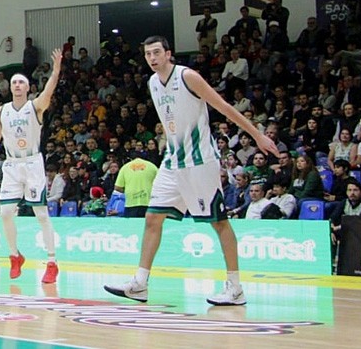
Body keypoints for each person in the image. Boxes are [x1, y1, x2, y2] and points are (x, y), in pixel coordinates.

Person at [105, 36, 279, 306]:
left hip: (200, 162)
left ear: (168, 54)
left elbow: (224, 107)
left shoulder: (188, 77)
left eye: (156, 52)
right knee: (152, 218)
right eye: (147, 54)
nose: (152, 58)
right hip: (173, 161)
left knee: (219, 222)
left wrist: (257, 135)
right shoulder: (152, 83)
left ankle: (235, 288)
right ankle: (139, 284)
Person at [0, 48, 64, 283]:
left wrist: (57, 69)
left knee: (41, 213)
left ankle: (52, 262)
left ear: (28, 87)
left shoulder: (36, 105)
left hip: (32, 162)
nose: (18, 85)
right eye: (14, 82)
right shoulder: (2, 111)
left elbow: (49, 90)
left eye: (22, 82)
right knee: (6, 213)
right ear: (10, 88)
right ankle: (14, 256)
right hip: (11, 164)